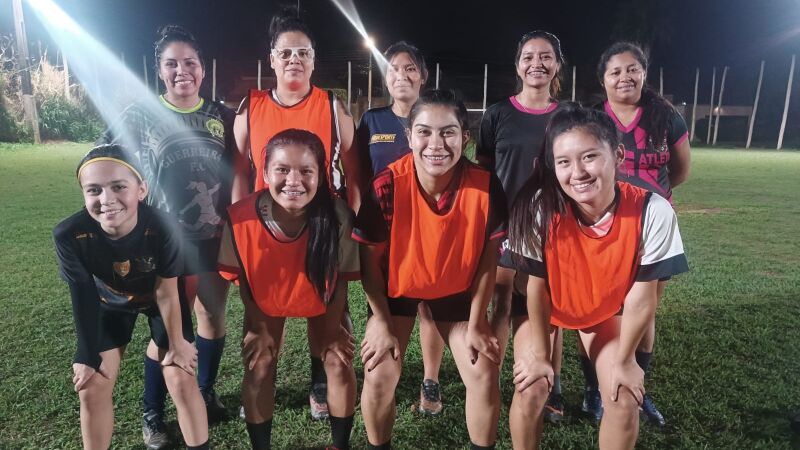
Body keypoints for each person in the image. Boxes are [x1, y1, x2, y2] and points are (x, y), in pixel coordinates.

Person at [507, 103, 689, 449]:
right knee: (532, 387)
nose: (577, 172)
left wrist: (624, 362)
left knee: (622, 399)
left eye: (589, 156)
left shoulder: (653, 210)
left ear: (617, 154)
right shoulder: (541, 208)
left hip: (604, 313)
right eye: (564, 162)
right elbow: (538, 289)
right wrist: (542, 357)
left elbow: (642, 298)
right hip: (549, 308)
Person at [98, 25, 235, 448]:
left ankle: (206, 391)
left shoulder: (222, 115)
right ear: (160, 70)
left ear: (202, 68)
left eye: (190, 62)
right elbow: (102, 159)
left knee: (212, 317)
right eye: (172, 64)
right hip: (165, 243)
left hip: (214, 235)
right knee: (168, 335)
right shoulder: (139, 114)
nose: (182, 71)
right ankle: (152, 412)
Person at [354, 90, 507, 450]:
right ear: (408, 136)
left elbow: (488, 259)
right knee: (378, 374)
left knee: (484, 371)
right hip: (399, 290)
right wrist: (379, 319)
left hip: (456, 290)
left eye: (448, 132)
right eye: (424, 132)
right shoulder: (387, 185)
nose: (436, 144)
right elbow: (370, 265)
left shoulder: (486, 185)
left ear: (464, 137)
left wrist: (478, 317)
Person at [232, 7, 363, 421]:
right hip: (267, 238)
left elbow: (355, 176)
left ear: (313, 60)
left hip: (320, 231)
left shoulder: (331, 106)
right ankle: (259, 396)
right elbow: (238, 175)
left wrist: (347, 228)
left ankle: (319, 382)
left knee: (327, 326)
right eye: (285, 52)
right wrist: (239, 234)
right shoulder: (249, 107)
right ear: (271, 58)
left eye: (302, 53)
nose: (294, 60)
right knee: (263, 340)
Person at [53, 144, 210, 450]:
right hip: (108, 303)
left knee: (181, 376)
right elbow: (82, 296)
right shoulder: (69, 234)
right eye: (94, 190)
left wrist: (177, 343)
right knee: (92, 386)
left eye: (118, 187)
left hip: (156, 300)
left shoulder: (164, 225)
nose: (106, 199)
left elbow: (167, 291)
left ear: (141, 190)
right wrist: (86, 354)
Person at [219, 129, 358, 450]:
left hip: (323, 298)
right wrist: (256, 328)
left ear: (320, 177)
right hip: (266, 301)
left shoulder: (337, 216)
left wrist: (336, 328)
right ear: (265, 172)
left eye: (306, 171)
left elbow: (340, 283)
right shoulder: (241, 219)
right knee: (260, 362)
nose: (293, 180)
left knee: (338, 359)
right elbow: (247, 282)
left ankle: (340, 445)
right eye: (282, 169)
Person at [592, 41, 692, 427]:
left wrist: (655, 201)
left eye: (632, 69)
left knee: (644, 310)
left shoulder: (665, 116)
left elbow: (681, 170)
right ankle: (593, 390)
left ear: (644, 73)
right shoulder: (593, 117)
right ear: (603, 79)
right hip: (606, 226)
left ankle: (638, 387)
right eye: (615, 71)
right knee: (604, 313)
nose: (624, 77)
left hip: (654, 227)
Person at [475, 30, 566, 427]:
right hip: (503, 223)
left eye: (545, 57)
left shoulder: (568, 115)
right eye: (529, 57)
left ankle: (552, 384)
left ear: (557, 65)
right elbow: (483, 171)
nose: (537, 64)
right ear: (518, 66)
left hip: (552, 226)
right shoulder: (497, 115)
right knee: (501, 302)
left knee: (549, 309)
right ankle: (489, 377)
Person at [356, 41, 445, 415]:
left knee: (430, 307)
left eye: (410, 68)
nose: (402, 75)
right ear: (385, 78)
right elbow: (359, 175)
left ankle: (431, 381)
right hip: (387, 234)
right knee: (390, 301)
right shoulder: (372, 121)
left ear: (423, 77)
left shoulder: (436, 117)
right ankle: (388, 366)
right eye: (394, 69)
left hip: (432, 232)